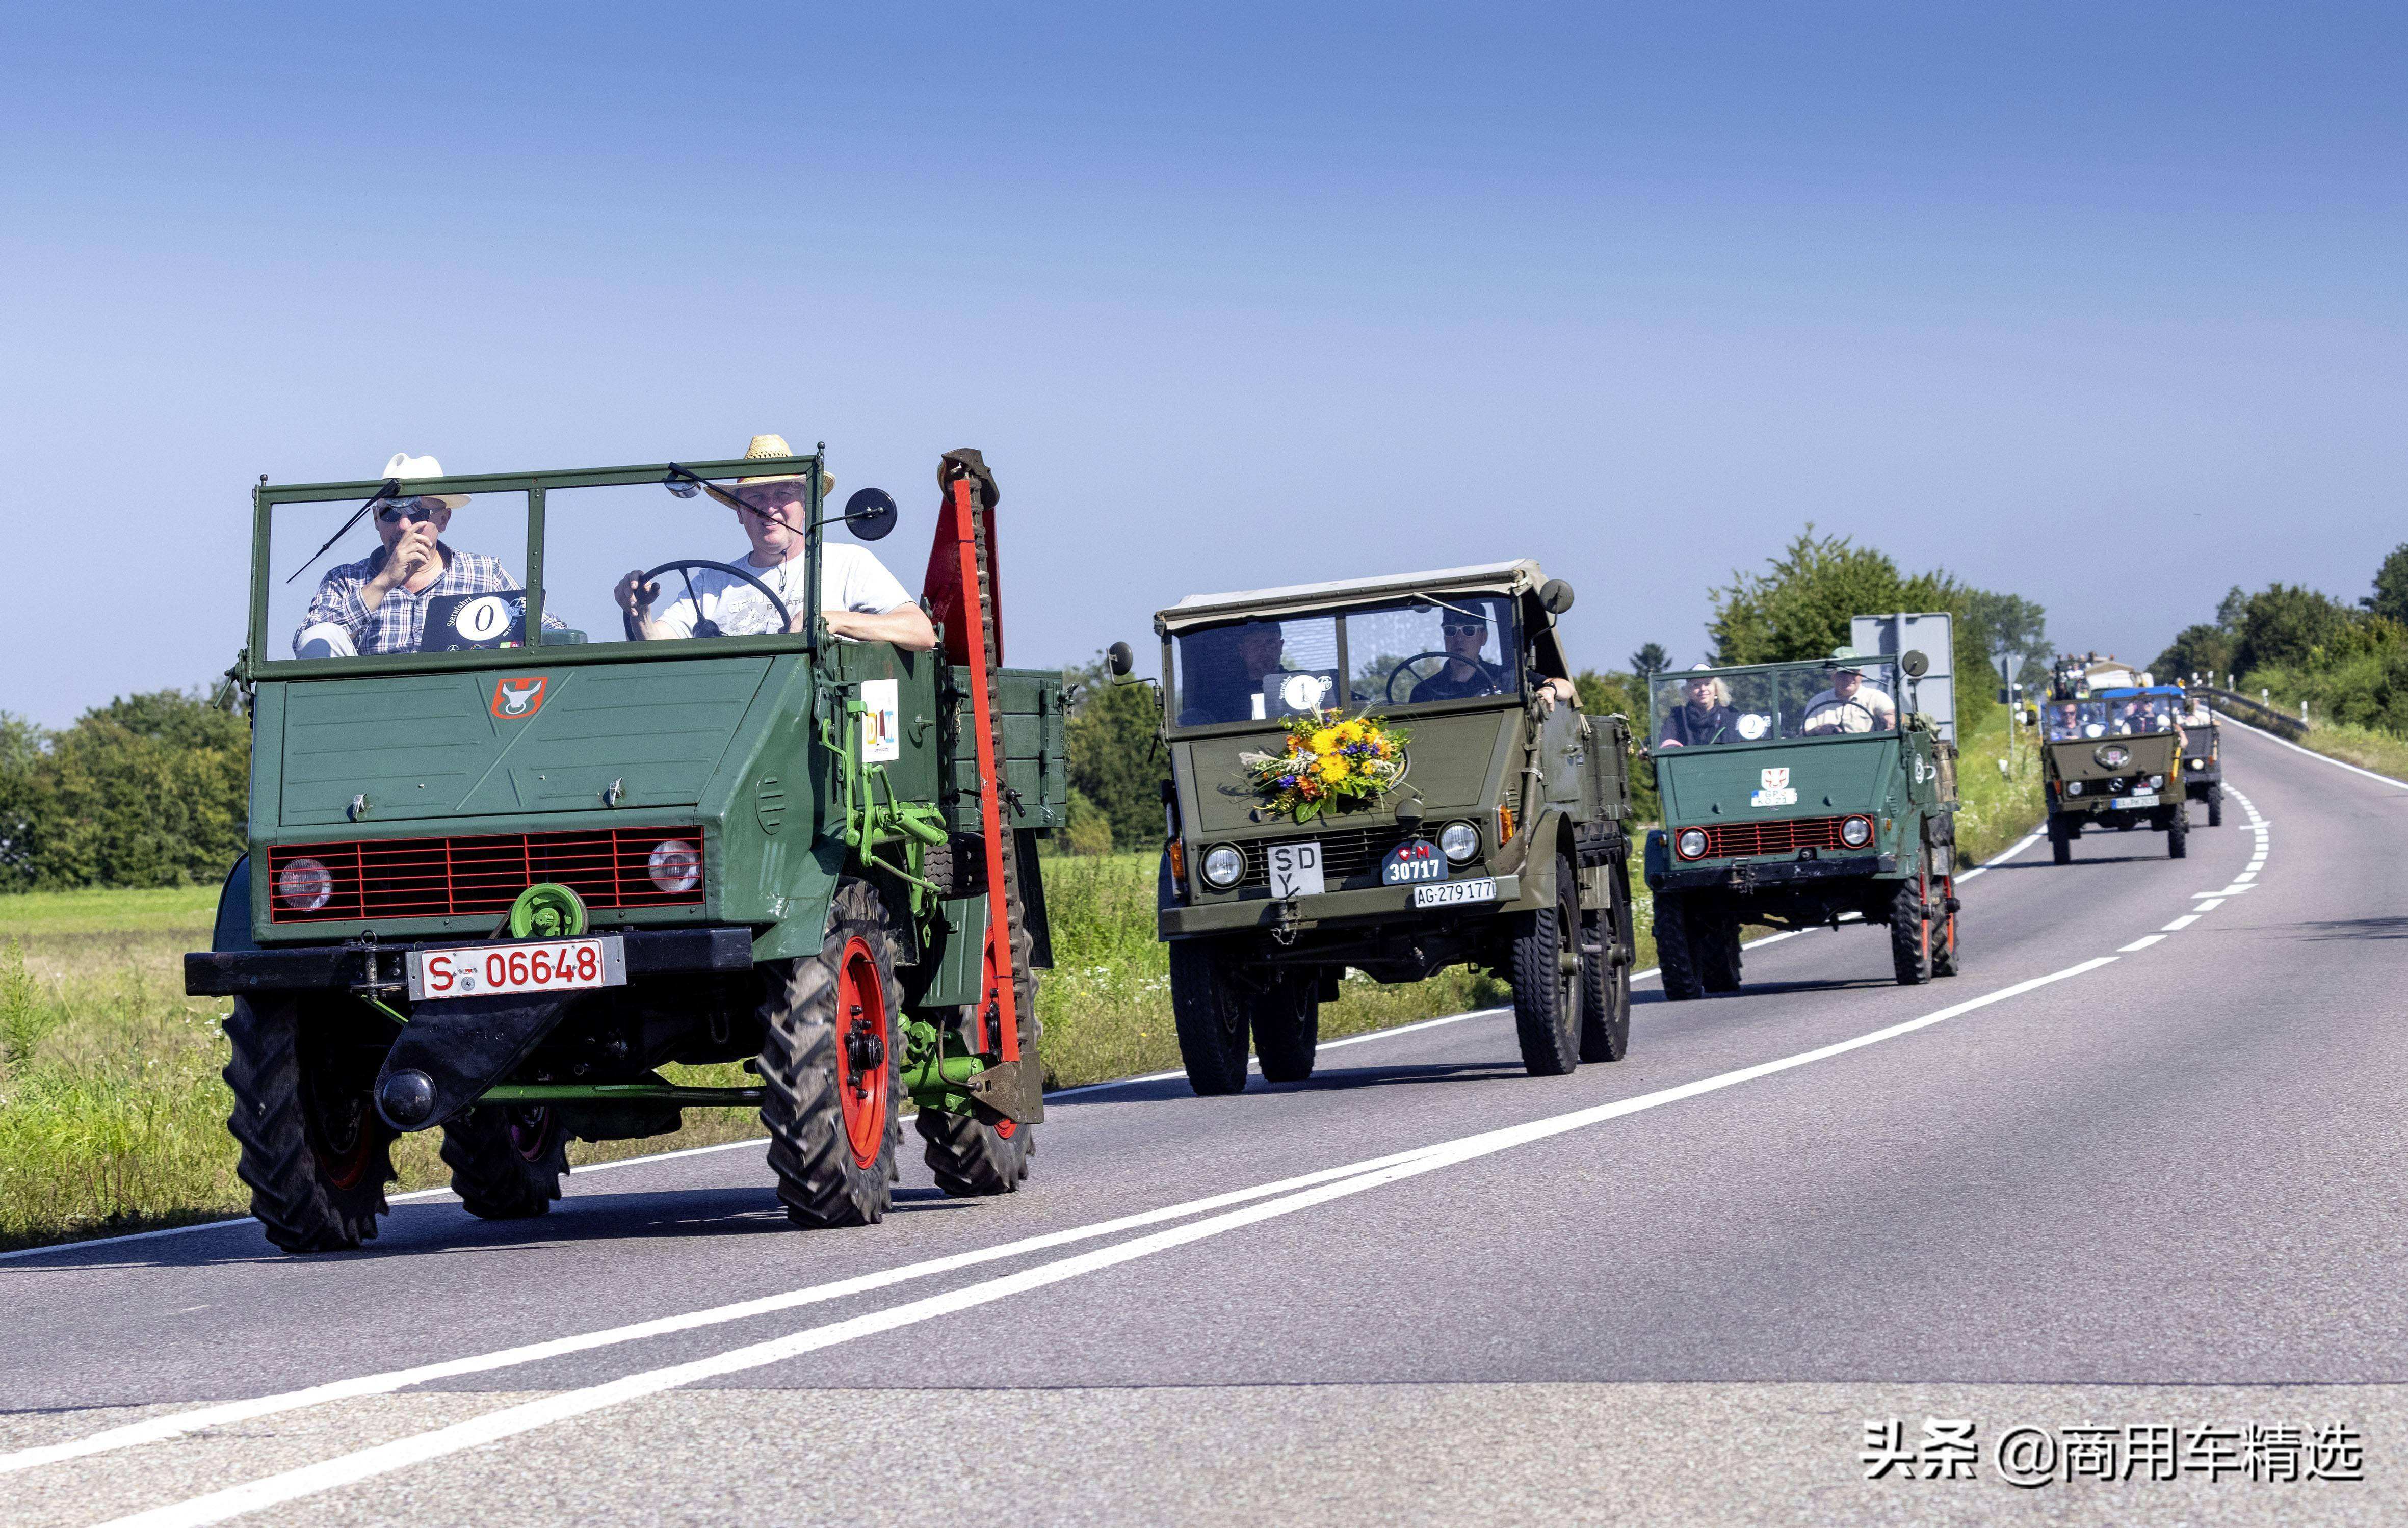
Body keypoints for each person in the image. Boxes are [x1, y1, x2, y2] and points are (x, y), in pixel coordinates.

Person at [614, 434, 937, 650]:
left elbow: (920, 633)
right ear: (740, 513)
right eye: (754, 498)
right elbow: (657, 643)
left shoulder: (849, 563)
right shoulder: (710, 583)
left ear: (804, 503)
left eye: (781, 494)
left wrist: (829, 620)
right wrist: (639, 611)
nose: (768, 509)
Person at [294, 453, 555, 657]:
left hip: (464, 710)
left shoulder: (484, 572)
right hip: (370, 712)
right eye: (391, 514)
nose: (404, 526)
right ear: (376, 519)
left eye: (419, 514)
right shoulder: (345, 580)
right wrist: (384, 582)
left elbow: (551, 630)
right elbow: (309, 641)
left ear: (443, 519)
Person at [1799, 661, 1897, 735]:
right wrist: (1818, 730)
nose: (1849, 679)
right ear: (1833, 676)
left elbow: (1890, 713)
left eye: (1854, 673)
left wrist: (1889, 718)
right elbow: (1803, 734)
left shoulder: (1876, 696)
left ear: (1861, 674)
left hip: (1870, 753)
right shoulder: (1817, 702)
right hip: (1827, 756)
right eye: (1843, 674)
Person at [1656, 665, 1740, 748]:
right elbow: (1664, 741)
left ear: (1716, 689)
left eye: (1707, 684)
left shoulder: (1730, 714)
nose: (1703, 689)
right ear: (1689, 691)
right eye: (1696, 685)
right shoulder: (1678, 716)